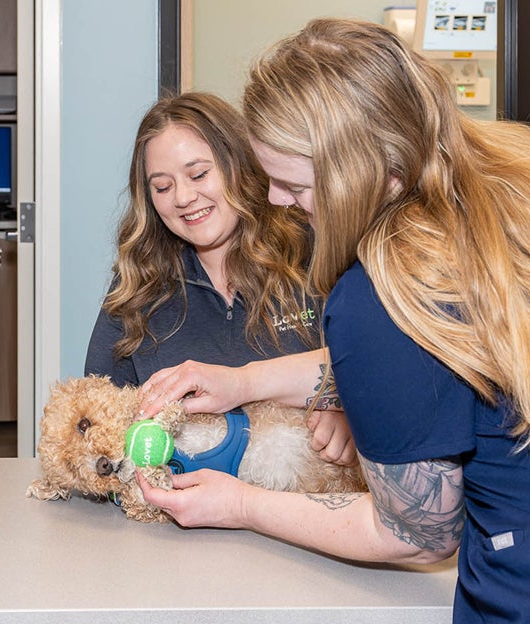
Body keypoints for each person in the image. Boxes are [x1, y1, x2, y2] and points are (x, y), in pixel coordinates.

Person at [136, 19, 530, 624]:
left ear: (361, 172)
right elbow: (441, 357)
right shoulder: (527, 200)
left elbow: (417, 532)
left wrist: (243, 505)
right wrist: (246, 382)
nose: (277, 200)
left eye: (293, 183)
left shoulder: (379, 294)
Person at [84, 91, 356, 465]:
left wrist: (346, 410)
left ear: (240, 166)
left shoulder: (315, 254)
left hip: (304, 504)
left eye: (198, 174)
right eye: (162, 187)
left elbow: (376, 366)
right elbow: (97, 419)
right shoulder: (138, 285)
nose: (182, 197)